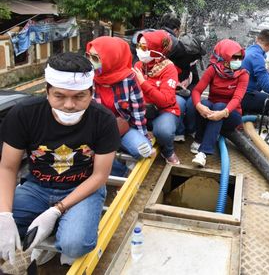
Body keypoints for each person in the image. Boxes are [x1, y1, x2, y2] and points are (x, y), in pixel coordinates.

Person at [0, 52, 120, 266]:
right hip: (37, 186)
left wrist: (57, 210)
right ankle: (53, 226)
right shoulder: (24, 114)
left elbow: (100, 176)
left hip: (82, 188)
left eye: (79, 96)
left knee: (75, 244)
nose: (69, 105)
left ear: (92, 92)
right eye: (59, 96)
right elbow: (8, 167)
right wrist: (4, 214)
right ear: (46, 91)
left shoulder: (103, 120)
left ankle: (65, 224)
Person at [86, 36, 151, 177]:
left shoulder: (129, 79)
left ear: (112, 58)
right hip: (96, 130)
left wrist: (142, 136)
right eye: (89, 56)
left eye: (96, 58)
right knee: (87, 154)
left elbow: (138, 111)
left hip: (123, 128)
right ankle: (119, 170)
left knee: (143, 150)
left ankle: (118, 146)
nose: (91, 62)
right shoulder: (87, 77)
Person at [191, 39, 249, 167]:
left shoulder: (243, 75)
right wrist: (199, 106)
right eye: (235, 58)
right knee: (205, 103)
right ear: (225, 56)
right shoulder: (213, 70)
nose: (238, 61)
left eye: (240, 58)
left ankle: (203, 152)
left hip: (231, 115)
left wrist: (224, 112)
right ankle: (199, 138)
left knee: (219, 106)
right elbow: (196, 91)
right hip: (211, 112)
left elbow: (237, 98)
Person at [133, 30, 181, 166]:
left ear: (155, 51)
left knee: (163, 132)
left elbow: (165, 100)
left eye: (143, 47)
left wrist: (143, 83)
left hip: (164, 110)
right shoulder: (138, 66)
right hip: (142, 110)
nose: (139, 50)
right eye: (138, 46)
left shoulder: (169, 69)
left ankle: (168, 151)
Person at [161, 15, 204, 143]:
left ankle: (190, 129)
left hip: (188, 88)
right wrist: (177, 86)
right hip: (171, 89)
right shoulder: (168, 56)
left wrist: (190, 86)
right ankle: (179, 131)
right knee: (179, 103)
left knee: (193, 103)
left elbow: (195, 80)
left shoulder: (190, 60)